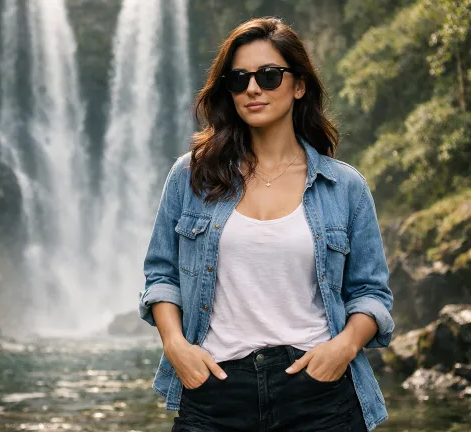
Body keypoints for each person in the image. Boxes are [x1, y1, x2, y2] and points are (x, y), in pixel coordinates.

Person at [139, 16, 394, 432]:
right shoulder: (192, 176)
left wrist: (344, 348)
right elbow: (161, 274)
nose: (253, 88)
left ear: (299, 85)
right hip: (213, 388)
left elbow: (370, 292)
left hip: (318, 391)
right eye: (239, 79)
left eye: (269, 76)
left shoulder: (344, 186)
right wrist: (176, 345)